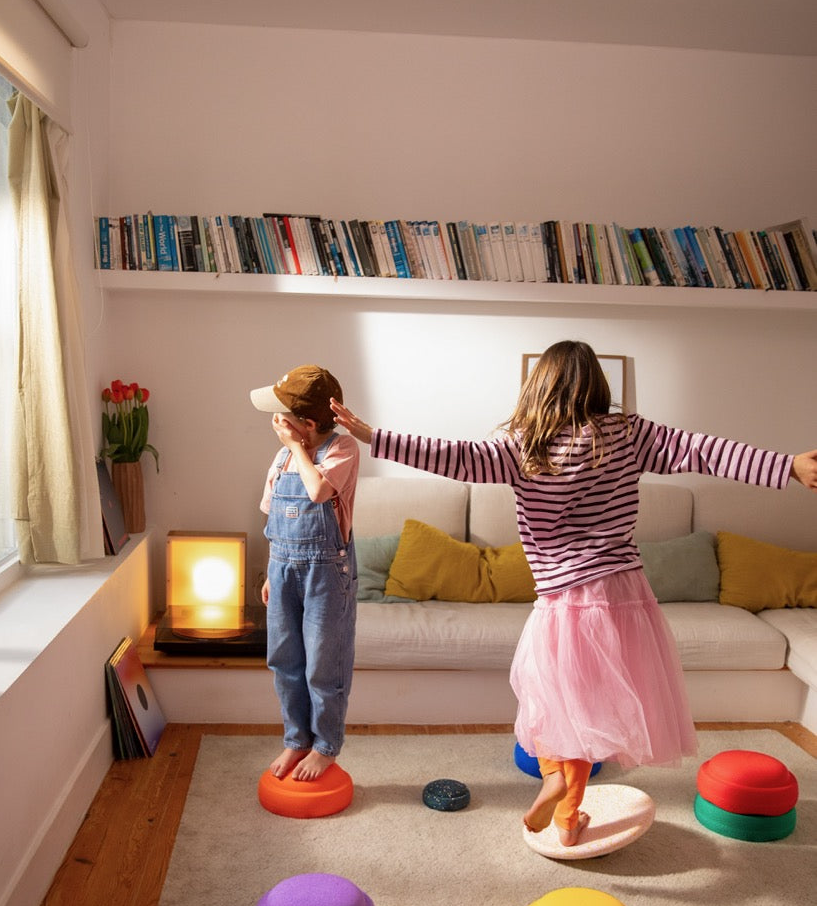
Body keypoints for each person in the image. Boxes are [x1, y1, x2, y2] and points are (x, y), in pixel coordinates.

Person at [331, 340, 817, 846]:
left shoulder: (525, 446)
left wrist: (372, 436)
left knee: (554, 706)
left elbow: (456, 458)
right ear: (598, 385)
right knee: (588, 712)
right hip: (623, 595)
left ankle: (559, 792)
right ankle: (565, 809)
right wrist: (786, 465)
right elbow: (705, 451)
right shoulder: (629, 435)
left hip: (565, 599)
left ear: (539, 387)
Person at [251, 364, 360, 781]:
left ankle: (326, 746)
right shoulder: (280, 458)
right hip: (283, 568)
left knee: (322, 665)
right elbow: (273, 520)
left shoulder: (342, 449)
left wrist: (298, 449)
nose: (276, 423)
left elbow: (317, 491)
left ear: (308, 424)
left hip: (326, 572)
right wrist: (269, 572)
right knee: (285, 660)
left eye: (284, 416)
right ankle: (296, 740)